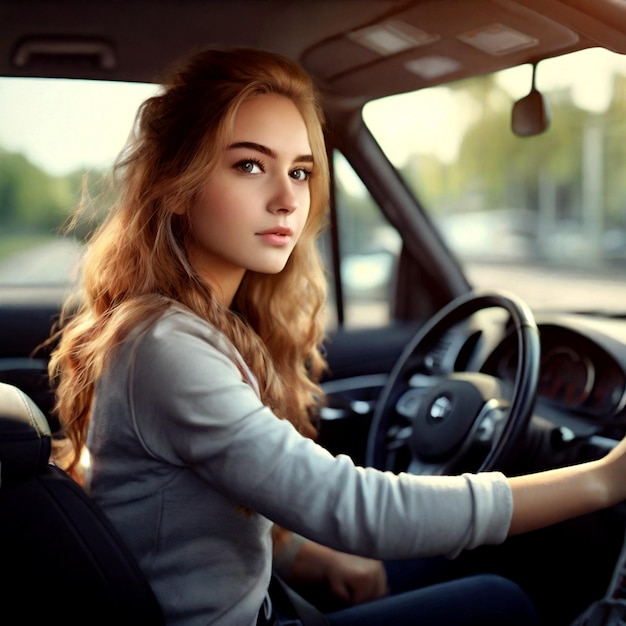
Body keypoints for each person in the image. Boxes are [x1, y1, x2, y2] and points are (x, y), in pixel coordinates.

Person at [47, 47, 626, 626]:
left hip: (265, 599)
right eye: (250, 165)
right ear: (175, 186)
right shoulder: (166, 347)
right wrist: (603, 481)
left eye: (299, 171)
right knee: (503, 602)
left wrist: (306, 556)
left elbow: (194, 519)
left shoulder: (187, 326)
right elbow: (349, 506)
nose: (287, 198)